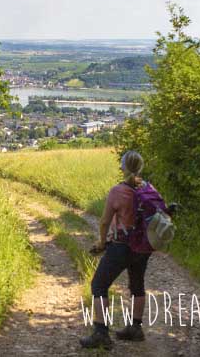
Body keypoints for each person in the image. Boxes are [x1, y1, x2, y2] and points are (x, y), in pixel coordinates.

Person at [80, 150, 150, 350]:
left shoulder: (118, 191)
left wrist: (102, 242)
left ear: (124, 167)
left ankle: (101, 333)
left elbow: (104, 222)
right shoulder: (147, 187)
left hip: (121, 246)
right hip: (142, 246)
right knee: (137, 285)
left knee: (99, 285)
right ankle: (135, 328)